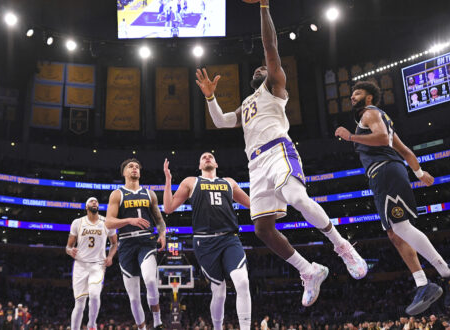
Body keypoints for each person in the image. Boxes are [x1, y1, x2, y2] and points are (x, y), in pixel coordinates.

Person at [195, 0, 367, 307]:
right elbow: (221, 121)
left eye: (265, 65)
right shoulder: (247, 103)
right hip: (256, 164)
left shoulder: (274, 86)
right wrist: (210, 97)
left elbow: (270, 44)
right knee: (262, 229)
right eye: (260, 67)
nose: (263, 66)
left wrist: (263, 6)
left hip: (278, 151)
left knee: (298, 199)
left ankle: (342, 246)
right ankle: (309, 270)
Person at [335, 80, 450, 315]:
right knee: (395, 233)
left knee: (401, 227)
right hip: (385, 173)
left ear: (368, 98)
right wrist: (419, 172)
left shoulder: (370, 113)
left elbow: (382, 140)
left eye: (357, 93)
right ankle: (423, 284)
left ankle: (448, 272)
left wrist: (351, 138)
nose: (351, 97)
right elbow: (404, 150)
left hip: (385, 171)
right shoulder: (381, 118)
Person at [163, 153, 252, 329]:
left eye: (210, 156)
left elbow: (252, 204)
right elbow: (168, 208)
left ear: (216, 163)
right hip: (205, 242)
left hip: (229, 239)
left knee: (242, 282)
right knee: (219, 292)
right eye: (203, 157)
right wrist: (168, 180)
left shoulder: (229, 182)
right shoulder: (191, 181)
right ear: (199, 165)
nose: (207, 158)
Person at [105, 158, 167, 330]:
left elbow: (160, 220)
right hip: (126, 243)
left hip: (146, 241)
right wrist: (130, 220)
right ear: (124, 172)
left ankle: (157, 321)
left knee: (150, 280)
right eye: (130, 166)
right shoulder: (117, 194)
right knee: (133, 297)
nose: (134, 169)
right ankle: (142, 328)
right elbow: (108, 222)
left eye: (137, 167)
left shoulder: (150, 194)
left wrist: (162, 234)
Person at [67, 197, 118, 330]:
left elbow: (114, 243)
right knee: (79, 303)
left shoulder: (107, 222)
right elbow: (68, 247)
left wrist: (111, 256)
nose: (94, 202)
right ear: (86, 207)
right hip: (80, 265)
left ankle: (92, 324)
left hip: (97, 265)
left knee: (95, 295)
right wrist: (70, 251)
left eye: (96, 201)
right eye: (91, 201)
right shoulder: (77, 223)